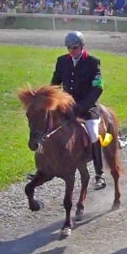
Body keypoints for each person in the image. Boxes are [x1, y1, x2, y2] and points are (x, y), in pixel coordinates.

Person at [51, 31, 107, 190]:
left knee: (94, 134)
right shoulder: (61, 61)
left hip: (87, 107)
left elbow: (98, 87)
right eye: (69, 48)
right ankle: (44, 166)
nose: (72, 51)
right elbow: (55, 83)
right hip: (67, 106)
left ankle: (99, 174)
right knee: (48, 127)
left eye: (75, 48)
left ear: (82, 46)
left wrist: (82, 106)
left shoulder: (93, 62)